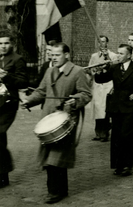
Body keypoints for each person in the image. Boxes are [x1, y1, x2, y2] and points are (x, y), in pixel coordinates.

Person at [21, 42, 91, 204]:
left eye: (57, 54)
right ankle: (61, 190)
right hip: (49, 120)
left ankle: (54, 192)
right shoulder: (49, 70)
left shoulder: (77, 71)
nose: (54, 58)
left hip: (66, 120)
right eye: (52, 55)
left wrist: (74, 101)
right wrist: (29, 101)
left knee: (56, 157)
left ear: (67, 54)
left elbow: (86, 94)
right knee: (51, 157)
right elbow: (41, 91)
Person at [94, 44, 133, 176]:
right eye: (117, 53)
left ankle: (128, 164)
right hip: (116, 107)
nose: (118, 56)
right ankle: (118, 165)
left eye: (121, 53)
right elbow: (100, 79)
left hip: (131, 107)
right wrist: (99, 70)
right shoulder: (114, 68)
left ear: (129, 55)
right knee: (116, 137)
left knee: (126, 136)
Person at [0, 30, 28, 188]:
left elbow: (23, 82)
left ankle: (3, 173)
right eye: (0, 43)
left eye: (6, 43)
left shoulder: (17, 59)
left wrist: (6, 76)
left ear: (11, 44)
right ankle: (3, 174)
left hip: (8, 104)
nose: (3, 46)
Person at [87, 35, 118, 142]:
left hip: (108, 84)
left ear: (107, 43)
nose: (102, 44)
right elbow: (90, 68)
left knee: (105, 109)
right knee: (97, 108)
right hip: (97, 84)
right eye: (100, 42)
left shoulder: (113, 55)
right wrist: (95, 71)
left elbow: (115, 67)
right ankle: (98, 132)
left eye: (104, 42)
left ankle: (105, 133)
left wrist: (107, 57)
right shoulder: (94, 56)